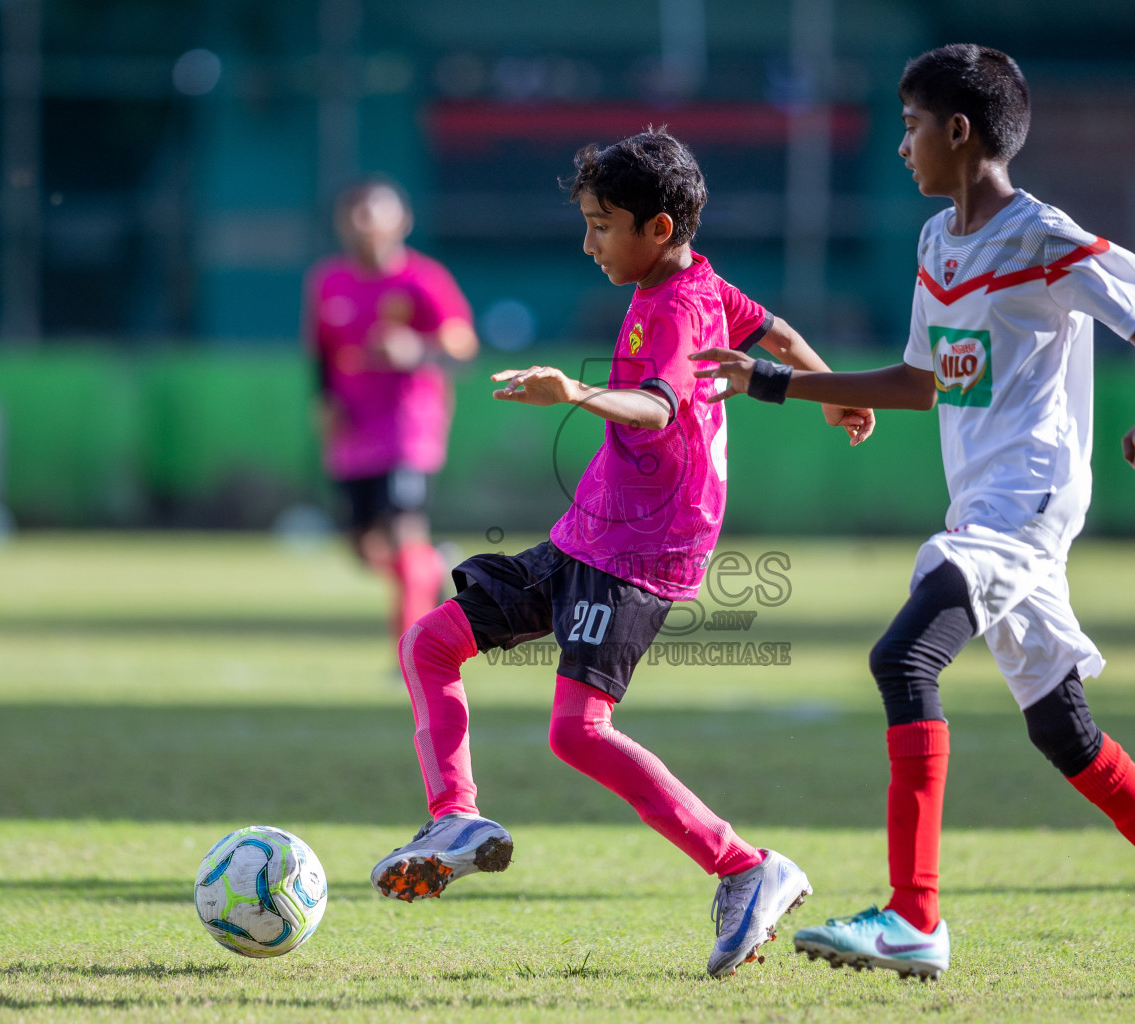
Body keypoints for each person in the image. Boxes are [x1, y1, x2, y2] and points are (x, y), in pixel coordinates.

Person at [693, 44, 1135, 996]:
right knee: (1065, 736)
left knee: (903, 657)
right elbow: (922, 383)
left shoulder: (1044, 237)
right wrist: (780, 383)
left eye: (911, 125)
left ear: (958, 132)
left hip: (1029, 500)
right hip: (981, 506)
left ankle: (914, 917)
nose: (900, 145)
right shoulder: (936, 243)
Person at [369, 128, 874, 978]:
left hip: (639, 550)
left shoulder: (675, 308)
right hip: (589, 534)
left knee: (578, 731)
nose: (588, 242)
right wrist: (824, 390)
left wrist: (574, 393)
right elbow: (773, 329)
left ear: (660, 226)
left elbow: (656, 408)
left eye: (602, 225)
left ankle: (747, 867)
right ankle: (456, 816)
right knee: (430, 642)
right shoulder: (701, 284)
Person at [305, 178, 479, 640]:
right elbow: (321, 353)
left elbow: (463, 348)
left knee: (403, 535)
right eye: (355, 213)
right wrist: (324, 402)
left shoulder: (424, 280)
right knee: (363, 548)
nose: (364, 223)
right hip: (354, 431)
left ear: (401, 221)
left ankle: (410, 649)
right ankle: (433, 564)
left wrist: (416, 350)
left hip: (408, 429)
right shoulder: (328, 282)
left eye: (374, 212)